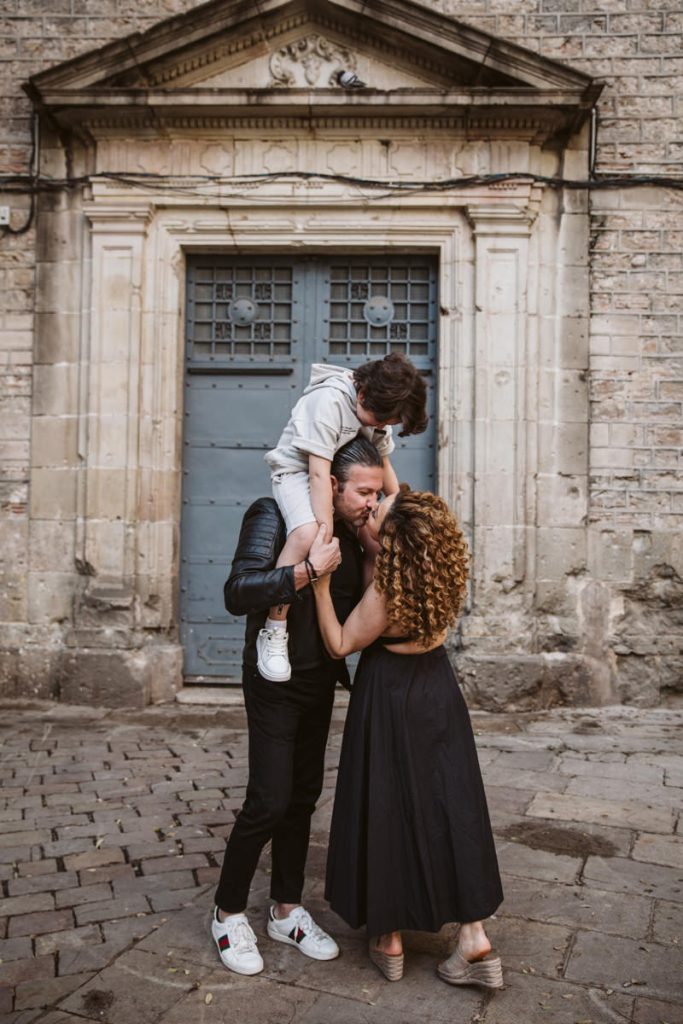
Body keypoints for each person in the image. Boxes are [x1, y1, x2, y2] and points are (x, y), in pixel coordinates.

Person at [309, 485, 504, 988]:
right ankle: (473, 938)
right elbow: (402, 501)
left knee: (386, 803)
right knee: (452, 802)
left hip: (390, 695)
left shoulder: (386, 591)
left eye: (381, 510)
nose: (374, 505)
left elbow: (339, 644)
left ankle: (390, 938)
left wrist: (321, 585)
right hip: (438, 689)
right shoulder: (441, 571)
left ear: (397, 540)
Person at [210, 437, 385, 976]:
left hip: (318, 680)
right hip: (272, 680)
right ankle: (228, 911)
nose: (372, 504)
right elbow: (238, 591)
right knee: (269, 798)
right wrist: (306, 570)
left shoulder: (357, 537)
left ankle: (286, 910)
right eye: (364, 492)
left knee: (304, 796)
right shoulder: (274, 514)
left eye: (378, 494)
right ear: (331, 484)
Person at [257, 353, 428, 682]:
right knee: (307, 535)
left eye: (387, 424)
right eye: (379, 419)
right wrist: (325, 533)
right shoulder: (328, 401)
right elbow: (318, 475)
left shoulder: (377, 411)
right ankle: (275, 626)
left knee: (375, 538)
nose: (380, 427)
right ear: (362, 394)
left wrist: (401, 512)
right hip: (298, 473)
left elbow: (385, 467)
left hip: (341, 479)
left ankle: (369, 614)